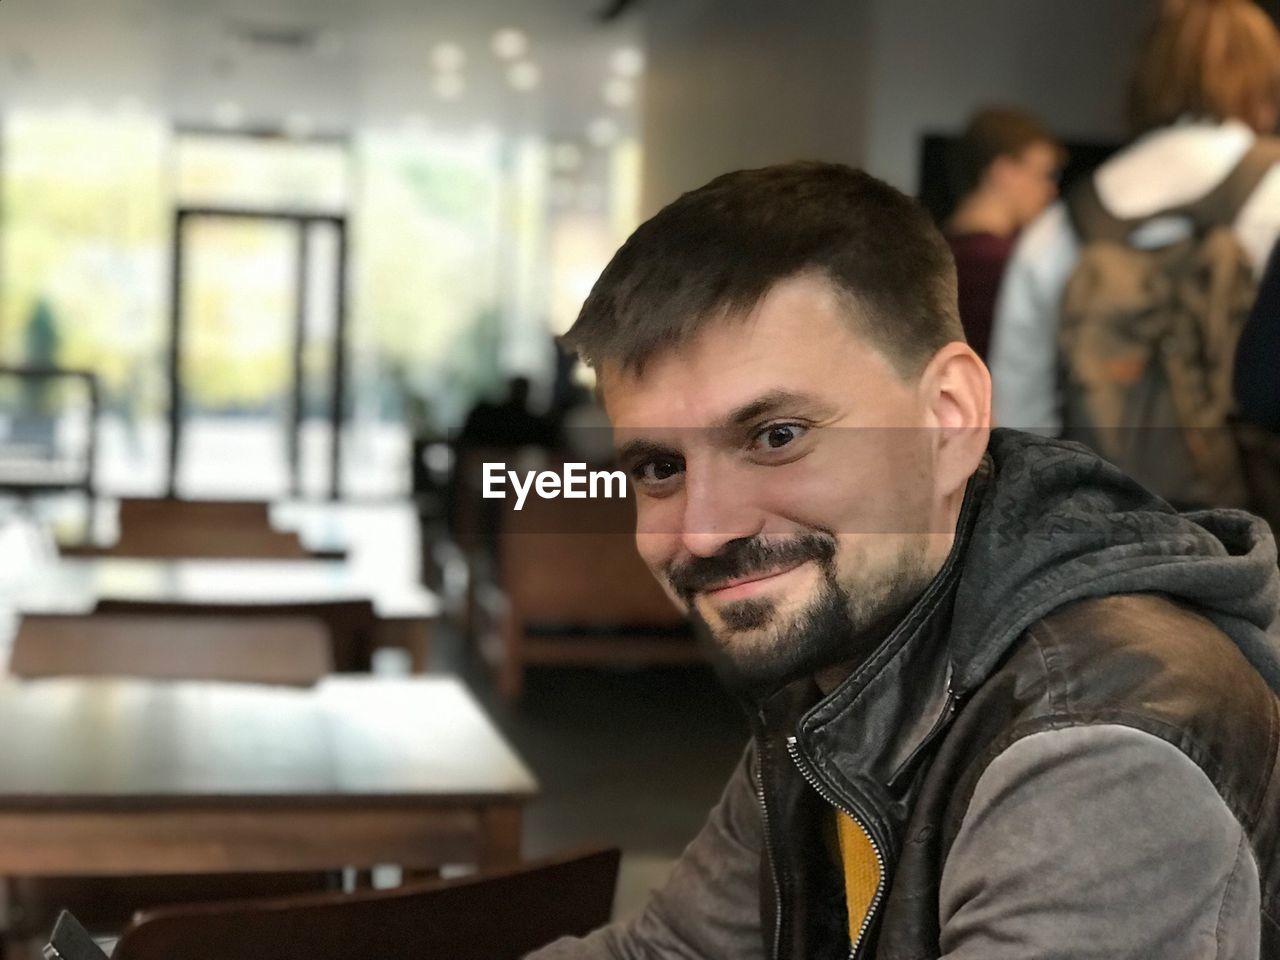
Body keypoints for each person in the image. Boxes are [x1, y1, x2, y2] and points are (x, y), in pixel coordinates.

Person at [526, 161, 1280, 959]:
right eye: (660, 469)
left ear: (950, 421)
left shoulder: (1100, 749)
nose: (706, 530)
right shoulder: (845, 664)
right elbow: (670, 954)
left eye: (777, 436)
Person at [989, 0, 1280, 435]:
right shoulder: (1272, 191)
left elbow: (1017, 420)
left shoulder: (1063, 223)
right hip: (1250, 496)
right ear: (1265, 83)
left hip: (1093, 496)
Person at [943, 107, 1065, 360]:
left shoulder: (926, 248)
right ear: (1004, 171)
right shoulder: (1014, 262)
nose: (1050, 190)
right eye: (1044, 175)